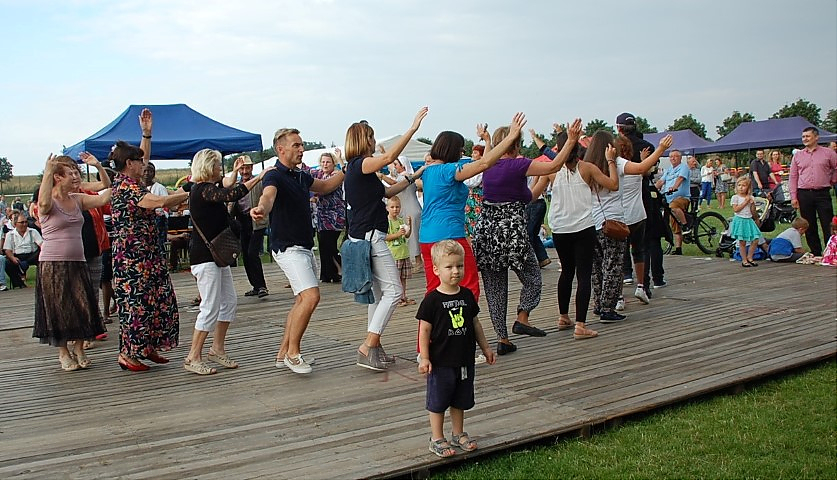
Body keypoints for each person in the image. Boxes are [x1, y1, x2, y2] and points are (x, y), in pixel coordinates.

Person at [474, 118, 580, 354]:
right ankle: (522, 316)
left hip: (487, 231)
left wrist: (487, 140)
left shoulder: (486, 164)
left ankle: (502, 339)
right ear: (515, 144)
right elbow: (555, 166)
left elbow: (528, 195)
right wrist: (571, 140)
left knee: (495, 288)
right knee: (532, 277)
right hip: (512, 231)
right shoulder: (518, 165)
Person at [251, 127, 345, 374]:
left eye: (302, 145)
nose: (302, 149)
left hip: (303, 246)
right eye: (296, 145)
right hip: (288, 247)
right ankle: (293, 354)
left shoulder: (301, 176)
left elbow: (325, 186)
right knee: (311, 296)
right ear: (280, 149)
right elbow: (268, 196)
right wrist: (261, 209)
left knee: (302, 300)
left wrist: (346, 170)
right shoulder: (274, 175)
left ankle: (283, 353)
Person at [343, 108, 429, 372]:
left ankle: (375, 348)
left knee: (379, 295)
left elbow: (388, 192)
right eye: (371, 137)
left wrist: (412, 177)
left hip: (364, 236)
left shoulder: (359, 171)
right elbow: (390, 157)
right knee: (394, 292)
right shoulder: (360, 164)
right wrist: (412, 128)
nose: (373, 141)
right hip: (372, 237)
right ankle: (368, 345)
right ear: (363, 141)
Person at [110, 109, 190, 372]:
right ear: (129, 164)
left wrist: (146, 134)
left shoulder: (132, 181)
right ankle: (128, 354)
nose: (144, 164)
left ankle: (146, 347)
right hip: (132, 260)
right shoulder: (126, 187)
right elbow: (159, 201)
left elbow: (142, 155)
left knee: (155, 301)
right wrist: (188, 190)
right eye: (139, 162)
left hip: (148, 254)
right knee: (136, 305)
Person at [419, 114, 527, 302]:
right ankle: (466, 321)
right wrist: (510, 137)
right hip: (449, 234)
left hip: (427, 237)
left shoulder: (429, 171)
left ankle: (429, 322)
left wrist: (488, 142)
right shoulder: (449, 171)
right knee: (469, 287)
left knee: (434, 290)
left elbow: (482, 166)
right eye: (460, 150)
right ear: (452, 150)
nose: (461, 154)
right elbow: (485, 164)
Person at [183, 149, 271, 375]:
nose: (219, 169)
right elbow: (232, 193)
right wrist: (259, 177)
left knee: (228, 302)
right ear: (208, 167)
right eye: (217, 166)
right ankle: (193, 356)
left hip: (215, 257)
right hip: (205, 257)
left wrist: (234, 173)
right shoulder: (201, 190)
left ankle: (217, 348)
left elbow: (227, 186)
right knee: (210, 306)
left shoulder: (208, 188)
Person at [417, 240, 495, 458]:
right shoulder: (432, 300)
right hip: (441, 361)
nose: (455, 271)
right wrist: (425, 357)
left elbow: (475, 323)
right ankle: (436, 438)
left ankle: (458, 433)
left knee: (460, 398)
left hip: (464, 359)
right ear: (436, 269)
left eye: (459, 266)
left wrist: (486, 347)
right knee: (438, 400)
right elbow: (424, 330)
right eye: (449, 267)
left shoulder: (467, 295)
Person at [32, 154, 109, 371]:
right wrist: (48, 171)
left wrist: (99, 166)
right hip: (53, 263)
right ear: (58, 177)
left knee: (83, 305)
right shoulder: (48, 200)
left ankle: (79, 348)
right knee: (59, 308)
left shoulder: (77, 199)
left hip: (78, 261)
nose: (75, 176)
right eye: (70, 173)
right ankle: (63, 352)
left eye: (76, 172)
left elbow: (104, 197)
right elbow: (43, 204)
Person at [609, 134, 674, 310]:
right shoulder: (635, 169)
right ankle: (641, 286)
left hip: (619, 216)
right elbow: (644, 170)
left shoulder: (613, 168)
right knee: (639, 251)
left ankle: (619, 296)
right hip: (637, 215)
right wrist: (649, 155)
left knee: (619, 256)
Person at [226, 155, 271, 295]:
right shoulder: (236, 185)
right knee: (245, 254)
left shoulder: (258, 182)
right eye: (242, 169)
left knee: (252, 253)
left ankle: (261, 285)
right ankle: (255, 286)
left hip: (256, 221)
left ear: (252, 168)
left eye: (247, 168)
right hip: (242, 221)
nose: (245, 171)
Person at [789, 127, 837, 256]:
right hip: (804, 193)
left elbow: (836, 168)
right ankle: (815, 252)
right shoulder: (798, 155)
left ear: (816, 137)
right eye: (803, 136)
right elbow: (793, 176)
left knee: (827, 222)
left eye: (808, 136)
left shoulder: (828, 153)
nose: (805, 139)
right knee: (808, 224)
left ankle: (830, 251)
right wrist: (793, 196)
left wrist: (832, 180)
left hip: (822, 192)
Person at [310, 151, 346, 284]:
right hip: (322, 215)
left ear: (333, 163)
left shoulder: (336, 175)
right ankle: (328, 274)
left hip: (334, 215)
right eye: (323, 162)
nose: (325, 164)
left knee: (329, 244)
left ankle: (340, 269)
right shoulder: (318, 174)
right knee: (323, 245)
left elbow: (325, 189)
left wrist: (315, 194)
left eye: (328, 162)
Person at [390, 154, 423, 270]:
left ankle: (418, 261)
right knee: (409, 235)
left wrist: (381, 176)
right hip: (408, 208)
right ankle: (415, 260)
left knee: (413, 236)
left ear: (403, 166)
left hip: (411, 210)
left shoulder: (406, 177)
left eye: (396, 164)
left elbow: (393, 183)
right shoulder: (405, 177)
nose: (394, 167)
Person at [655, 150, 690, 255]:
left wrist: (674, 187)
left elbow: (680, 178)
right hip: (669, 199)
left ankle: (686, 225)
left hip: (681, 197)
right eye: (671, 157)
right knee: (674, 224)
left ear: (680, 158)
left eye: (675, 156)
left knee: (674, 207)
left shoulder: (683, 167)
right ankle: (678, 249)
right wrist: (653, 189)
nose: (673, 158)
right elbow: (661, 181)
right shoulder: (669, 170)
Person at [384, 196, 415, 306]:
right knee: (395, 279)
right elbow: (385, 237)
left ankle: (403, 296)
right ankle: (396, 298)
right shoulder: (386, 222)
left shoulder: (400, 220)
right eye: (392, 207)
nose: (395, 209)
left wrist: (409, 225)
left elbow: (406, 235)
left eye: (397, 207)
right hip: (394, 255)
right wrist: (397, 234)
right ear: (387, 208)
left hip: (404, 253)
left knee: (403, 278)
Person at [4, 210, 42, 288]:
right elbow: (7, 250)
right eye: (22, 222)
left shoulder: (33, 231)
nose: (24, 224)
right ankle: (19, 284)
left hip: (32, 255)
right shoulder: (10, 235)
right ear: (15, 224)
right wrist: (12, 258)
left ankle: (41, 281)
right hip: (18, 256)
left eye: (26, 222)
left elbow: (41, 244)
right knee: (8, 263)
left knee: (41, 255)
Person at [730, 177, 762, 267]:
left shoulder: (750, 197)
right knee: (742, 241)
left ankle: (750, 256)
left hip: (748, 219)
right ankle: (744, 260)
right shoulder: (735, 197)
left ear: (748, 187)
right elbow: (736, 209)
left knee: (755, 239)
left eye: (743, 185)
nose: (741, 187)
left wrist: (752, 203)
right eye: (739, 185)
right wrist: (745, 202)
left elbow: (753, 211)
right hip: (740, 219)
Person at [142, 162, 169, 253]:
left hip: (158, 223)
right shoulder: (138, 188)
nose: (147, 173)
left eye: (150, 171)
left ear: (154, 173)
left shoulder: (160, 188)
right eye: (145, 171)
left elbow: (166, 205)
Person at [463, 145, 484, 240]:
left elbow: (473, 182)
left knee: (475, 220)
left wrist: (462, 179)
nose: (472, 155)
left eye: (475, 153)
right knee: (469, 221)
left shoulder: (481, 168)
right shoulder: (473, 165)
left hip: (477, 198)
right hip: (471, 198)